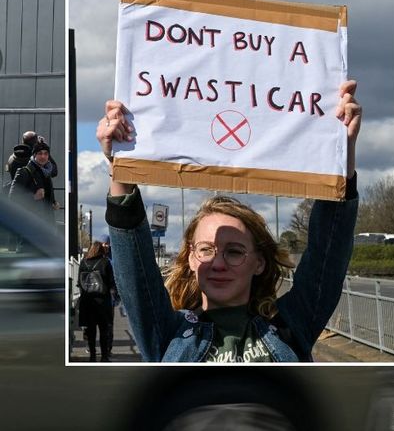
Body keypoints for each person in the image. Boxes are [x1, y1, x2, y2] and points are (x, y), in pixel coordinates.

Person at [96, 80, 361, 362]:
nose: (218, 262)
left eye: (234, 251)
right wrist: (121, 164)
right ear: (191, 259)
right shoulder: (167, 332)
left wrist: (339, 153)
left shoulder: (292, 324)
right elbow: (134, 268)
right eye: (206, 249)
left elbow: (327, 254)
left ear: (259, 262)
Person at [77, 240, 117, 361]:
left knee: (90, 331)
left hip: (87, 302)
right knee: (104, 330)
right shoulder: (105, 263)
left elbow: (79, 283)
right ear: (101, 250)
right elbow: (111, 283)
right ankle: (104, 356)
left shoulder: (83, 263)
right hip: (102, 302)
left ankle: (92, 355)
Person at [8, 142, 56, 214]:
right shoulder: (24, 172)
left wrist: (53, 203)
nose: (43, 156)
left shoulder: (47, 173)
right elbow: (12, 198)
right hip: (30, 221)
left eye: (46, 154)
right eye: (40, 153)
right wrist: (33, 197)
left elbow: (46, 198)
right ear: (34, 155)